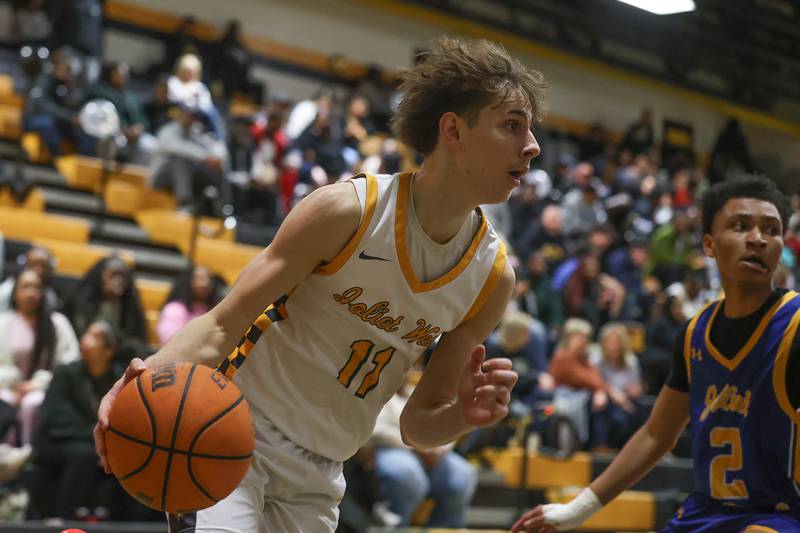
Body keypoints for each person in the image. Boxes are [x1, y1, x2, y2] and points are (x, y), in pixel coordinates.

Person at [95, 36, 543, 533]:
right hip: (232, 434)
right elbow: (224, 323)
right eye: (512, 125)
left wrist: (464, 414)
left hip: (323, 474)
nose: (533, 145)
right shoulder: (348, 211)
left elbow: (419, 423)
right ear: (453, 130)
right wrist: (136, 382)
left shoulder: (493, 275)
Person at [512, 175, 800, 532]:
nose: (758, 238)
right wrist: (576, 510)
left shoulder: (795, 324)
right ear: (709, 244)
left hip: (780, 515)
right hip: (706, 511)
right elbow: (656, 434)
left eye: (771, 230)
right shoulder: (695, 332)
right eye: (741, 226)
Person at [32, 320, 123, 519]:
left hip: (95, 444)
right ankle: (61, 518)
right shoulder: (66, 372)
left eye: (95, 336)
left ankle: (126, 523)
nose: (85, 339)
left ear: (109, 350)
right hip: (56, 440)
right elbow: (57, 417)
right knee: (83, 455)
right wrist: (97, 441)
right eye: (86, 334)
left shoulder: (118, 377)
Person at [370, 370, 478, 527]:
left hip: (432, 452)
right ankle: (396, 528)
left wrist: (440, 448)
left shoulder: (419, 394)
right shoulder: (377, 395)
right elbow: (377, 430)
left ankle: (442, 529)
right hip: (393, 449)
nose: (404, 373)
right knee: (407, 475)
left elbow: (447, 421)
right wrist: (417, 446)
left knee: (463, 475)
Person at [0, 269, 79, 444]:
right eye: (25, 287)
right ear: (15, 292)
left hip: (43, 389)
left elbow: (69, 364)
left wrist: (38, 384)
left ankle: (30, 455)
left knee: (32, 403)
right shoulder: (3, 322)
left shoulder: (57, 324)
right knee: (3, 400)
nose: (31, 293)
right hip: (6, 387)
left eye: (36, 287)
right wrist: (12, 382)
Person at [156, 265, 225, 344]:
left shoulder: (217, 310)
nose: (204, 284)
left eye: (209, 279)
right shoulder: (174, 309)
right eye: (198, 278)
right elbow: (170, 341)